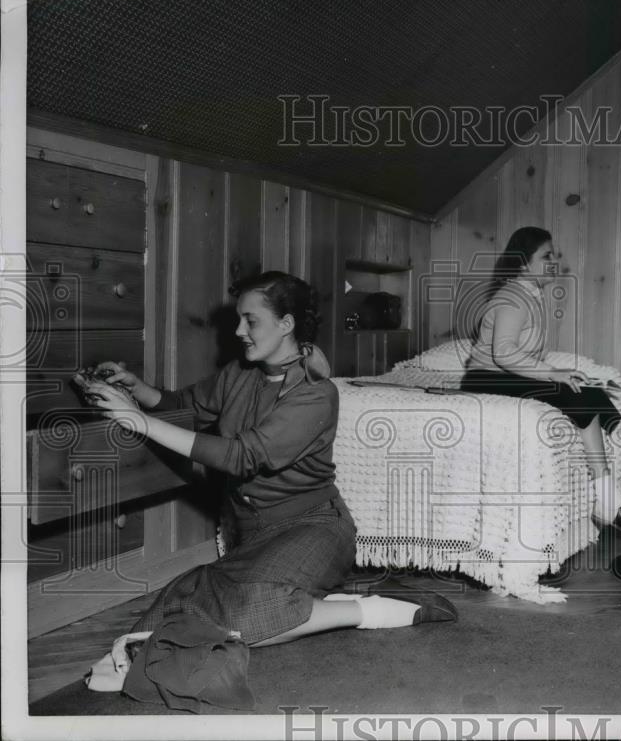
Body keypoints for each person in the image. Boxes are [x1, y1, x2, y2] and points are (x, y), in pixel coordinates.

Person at [80, 271, 456, 704]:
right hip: (251, 538)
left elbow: (241, 455)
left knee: (246, 614)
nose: (239, 331)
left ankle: (371, 610)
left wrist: (137, 420)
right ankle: (309, 597)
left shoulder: (316, 395)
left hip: (313, 528)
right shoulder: (240, 373)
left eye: (250, 321)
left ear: (287, 323)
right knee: (166, 615)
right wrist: (137, 389)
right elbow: (186, 406)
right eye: (239, 320)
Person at [460, 226, 621, 536]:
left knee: (585, 391)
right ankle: (608, 502)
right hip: (485, 379)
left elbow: (526, 357)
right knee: (575, 394)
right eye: (546, 256)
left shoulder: (530, 296)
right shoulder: (512, 298)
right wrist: (554, 374)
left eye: (555, 255)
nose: (554, 261)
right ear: (524, 263)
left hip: (503, 375)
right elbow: (503, 353)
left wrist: (568, 375)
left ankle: (607, 498)